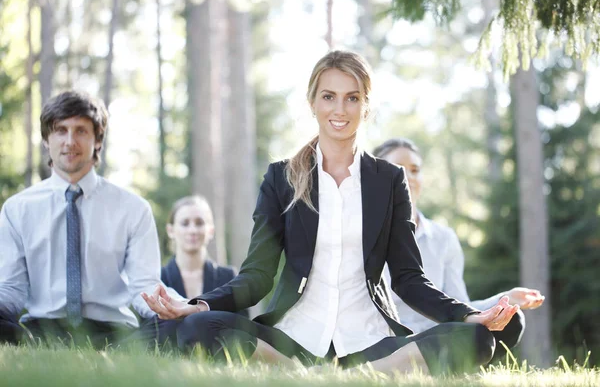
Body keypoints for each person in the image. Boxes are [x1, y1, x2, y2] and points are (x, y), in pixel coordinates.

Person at [142, 50, 519, 375]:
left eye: (352, 98)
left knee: (478, 338)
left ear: (366, 106)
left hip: (371, 339)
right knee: (198, 328)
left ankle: (358, 374)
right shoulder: (281, 177)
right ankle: (304, 373)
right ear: (313, 103)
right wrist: (197, 305)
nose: (340, 110)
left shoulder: (389, 180)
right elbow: (256, 276)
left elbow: (409, 279)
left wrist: (470, 315)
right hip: (292, 336)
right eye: (329, 97)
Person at [0, 90, 195, 349]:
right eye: (61, 130)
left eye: (81, 131)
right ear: (47, 139)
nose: (70, 141)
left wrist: (182, 307)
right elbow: (11, 290)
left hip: (115, 334)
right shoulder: (17, 209)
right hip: (39, 332)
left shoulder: (133, 208)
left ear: (98, 140)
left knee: (184, 325)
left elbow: (144, 285)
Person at [373, 137, 545, 362]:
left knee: (512, 320)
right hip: (386, 342)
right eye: (397, 169)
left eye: (414, 170)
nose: (407, 177)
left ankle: (437, 365)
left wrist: (503, 301)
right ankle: (424, 365)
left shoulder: (444, 239)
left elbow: (459, 305)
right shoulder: (365, 234)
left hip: (436, 336)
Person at [161, 195, 248, 317]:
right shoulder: (158, 279)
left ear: (211, 231)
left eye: (199, 223)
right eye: (185, 223)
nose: (192, 230)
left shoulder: (229, 278)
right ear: (170, 230)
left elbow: (242, 329)